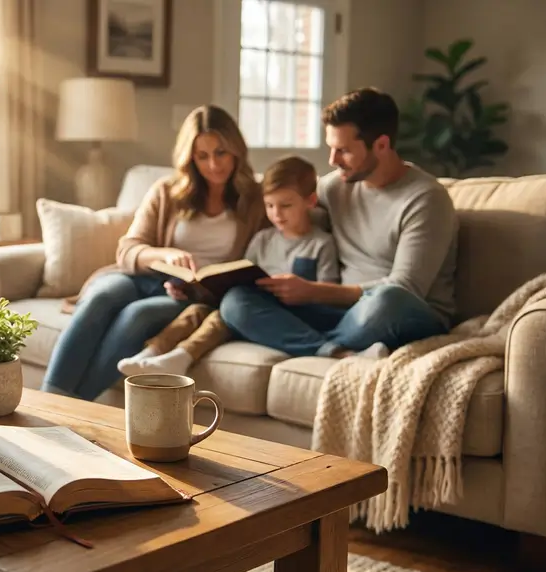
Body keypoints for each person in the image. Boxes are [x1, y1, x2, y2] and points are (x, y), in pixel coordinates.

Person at [39, 105, 268, 401]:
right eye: (202, 156)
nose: (213, 164)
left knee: (137, 315)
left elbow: (264, 257)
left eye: (221, 152)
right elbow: (128, 249)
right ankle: (48, 400)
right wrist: (165, 254)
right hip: (142, 276)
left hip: (190, 296)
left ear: (236, 148)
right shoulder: (167, 191)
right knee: (100, 297)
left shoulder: (255, 201)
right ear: (190, 157)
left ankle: (74, 407)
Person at [219, 87, 459, 358]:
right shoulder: (335, 187)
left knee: (387, 299)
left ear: (381, 145)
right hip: (340, 313)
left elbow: (407, 287)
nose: (333, 161)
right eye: (331, 148)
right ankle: (334, 351)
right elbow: (291, 214)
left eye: (343, 150)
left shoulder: (425, 199)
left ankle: (302, 340)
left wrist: (314, 291)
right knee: (236, 302)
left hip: (400, 313)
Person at [116, 155, 341, 376]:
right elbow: (243, 272)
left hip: (282, 315)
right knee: (197, 311)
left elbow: (326, 294)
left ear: (310, 201)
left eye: (285, 205)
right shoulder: (262, 239)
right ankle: (152, 351)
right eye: (270, 206)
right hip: (251, 303)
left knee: (224, 315)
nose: (276, 214)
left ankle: (181, 357)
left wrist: (302, 290)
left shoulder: (321, 243)